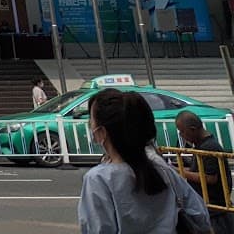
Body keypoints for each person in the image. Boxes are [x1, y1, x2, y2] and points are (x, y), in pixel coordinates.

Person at [79, 88, 210, 234]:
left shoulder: (99, 179)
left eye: (90, 120)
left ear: (101, 132)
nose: (90, 125)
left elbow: (98, 229)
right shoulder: (162, 168)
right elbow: (200, 215)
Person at [173, 112, 234, 234]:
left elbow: (210, 178)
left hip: (216, 210)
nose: (181, 135)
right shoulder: (201, 145)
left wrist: (181, 172)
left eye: (182, 131)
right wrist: (177, 169)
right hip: (207, 207)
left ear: (193, 129)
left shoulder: (209, 147)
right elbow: (197, 171)